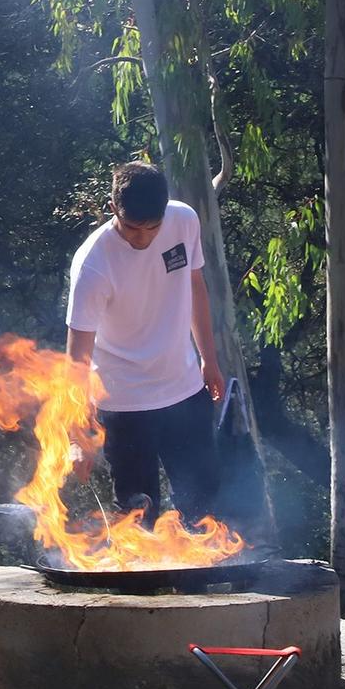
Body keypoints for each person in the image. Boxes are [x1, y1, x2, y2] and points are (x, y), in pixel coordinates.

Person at [65, 162, 232, 527]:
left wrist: (210, 360)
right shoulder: (93, 265)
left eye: (152, 228)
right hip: (124, 406)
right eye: (131, 228)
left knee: (204, 510)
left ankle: (208, 583)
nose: (142, 238)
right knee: (138, 519)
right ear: (113, 210)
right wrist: (76, 435)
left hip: (185, 392)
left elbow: (195, 288)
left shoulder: (184, 221)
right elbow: (77, 357)